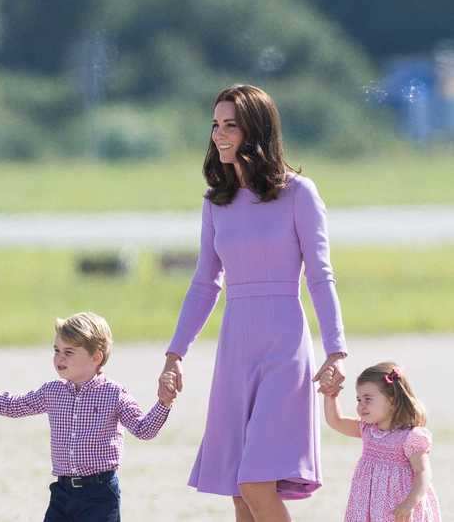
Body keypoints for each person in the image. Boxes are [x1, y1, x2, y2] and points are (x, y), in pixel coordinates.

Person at [158, 84, 347, 522]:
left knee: (255, 481)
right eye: (215, 126)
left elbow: (320, 275)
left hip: (284, 347)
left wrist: (337, 350)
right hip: (235, 351)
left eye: (230, 126)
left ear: (256, 131)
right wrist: (174, 354)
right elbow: (205, 282)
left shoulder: (299, 193)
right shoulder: (216, 202)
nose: (219, 135)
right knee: (239, 491)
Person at [0, 312, 174, 522]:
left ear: (96, 357)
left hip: (99, 492)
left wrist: (163, 403)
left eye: (69, 352)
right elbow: (16, 405)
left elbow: (143, 429)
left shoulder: (114, 394)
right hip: (62, 492)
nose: (59, 358)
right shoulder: (53, 391)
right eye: (56, 350)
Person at [322, 362, 441, 521]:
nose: (360, 406)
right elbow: (335, 421)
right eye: (359, 399)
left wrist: (410, 503)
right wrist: (331, 396)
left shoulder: (410, 437)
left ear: (392, 400)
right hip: (367, 507)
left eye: (368, 399)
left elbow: (423, 473)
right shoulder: (367, 429)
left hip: (399, 507)